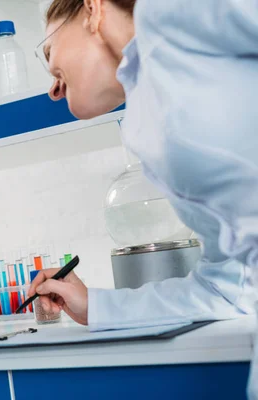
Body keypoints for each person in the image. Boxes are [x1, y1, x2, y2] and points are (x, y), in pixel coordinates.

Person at [28, 0, 258, 394]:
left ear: (92, 10)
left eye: (49, 52)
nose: (52, 88)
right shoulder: (148, 114)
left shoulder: (168, 11)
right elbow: (226, 289)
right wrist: (94, 306)